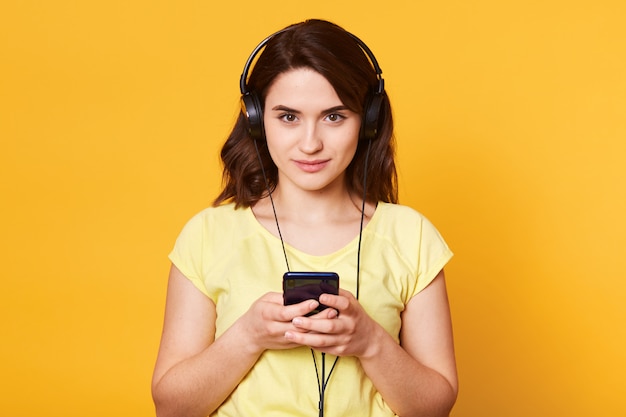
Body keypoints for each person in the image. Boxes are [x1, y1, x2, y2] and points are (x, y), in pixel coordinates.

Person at [152, 19, 458, 417]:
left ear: (367, 123)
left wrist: (369, 341)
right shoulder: (207, 235)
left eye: (334, 117)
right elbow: (171, 408)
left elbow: (435, 408)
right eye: (288, 117)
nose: (311, 144)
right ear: (257, 120)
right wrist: (248, 335)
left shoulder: (412, 236)